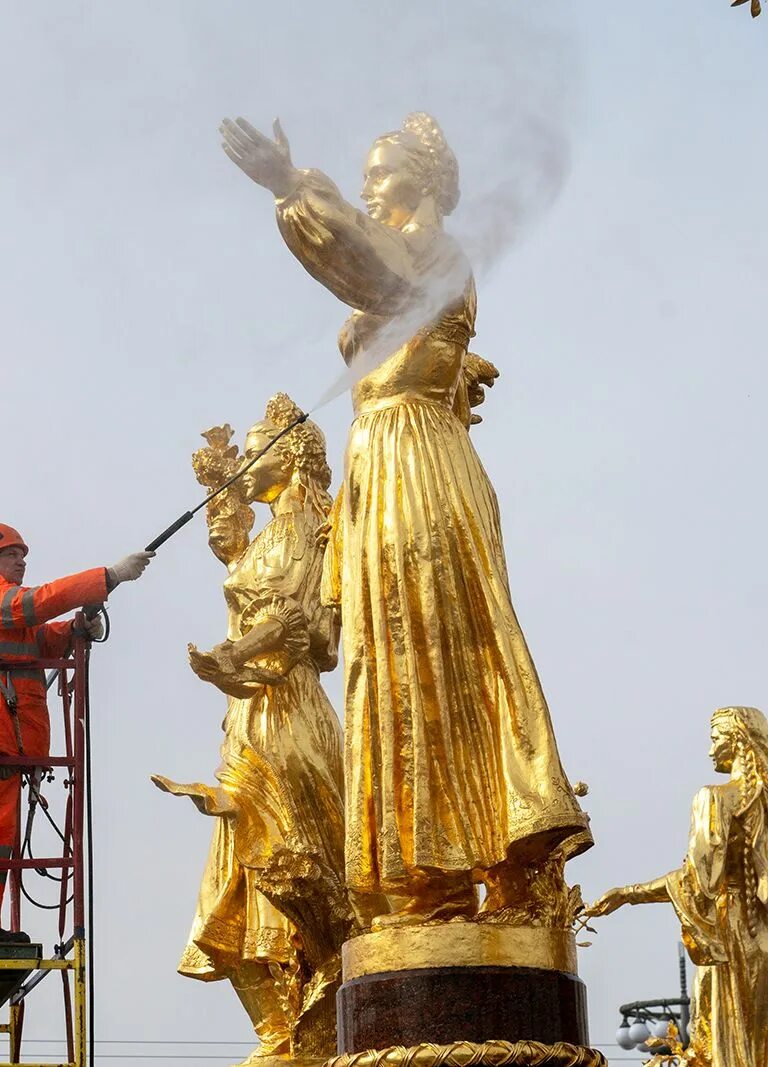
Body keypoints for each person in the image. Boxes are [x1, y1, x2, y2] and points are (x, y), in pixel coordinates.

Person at [219, 112, 590, 925]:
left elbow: (374, 270)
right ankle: (429, 870)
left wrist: (294, 189)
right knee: (388, 653)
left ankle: (495, 851)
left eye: (378, 172)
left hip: (420, 462)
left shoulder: (437, 257)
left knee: (441, 638)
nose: (365, 187)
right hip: (377, 463)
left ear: (423, 179)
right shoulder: (409, 261)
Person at [153, 395, 348, 1065]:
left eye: (261, 450)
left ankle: (314, 1021)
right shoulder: (273, 531)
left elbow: (297, 624)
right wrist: (221, 485)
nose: (252, 464)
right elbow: (235, 556)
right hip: (248, 712)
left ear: (291, 456)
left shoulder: (308, 525)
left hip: (285, 713)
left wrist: (233, 656)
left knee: (286, 863)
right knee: (238, 874)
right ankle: (281, 1031)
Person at [0, 522, 152, 942]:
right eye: (13, 554)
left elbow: (37, 642)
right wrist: (107, 577)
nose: (22, 562)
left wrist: (73, 630)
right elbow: (36, 605)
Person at [587, 707, 768, 1067]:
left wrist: (628, 894)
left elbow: (697, 880)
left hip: (729, 930)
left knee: (725, 1045)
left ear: (736, 742)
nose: (710, 749)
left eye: (715, 738)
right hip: (760, 934)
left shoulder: (713, 798)